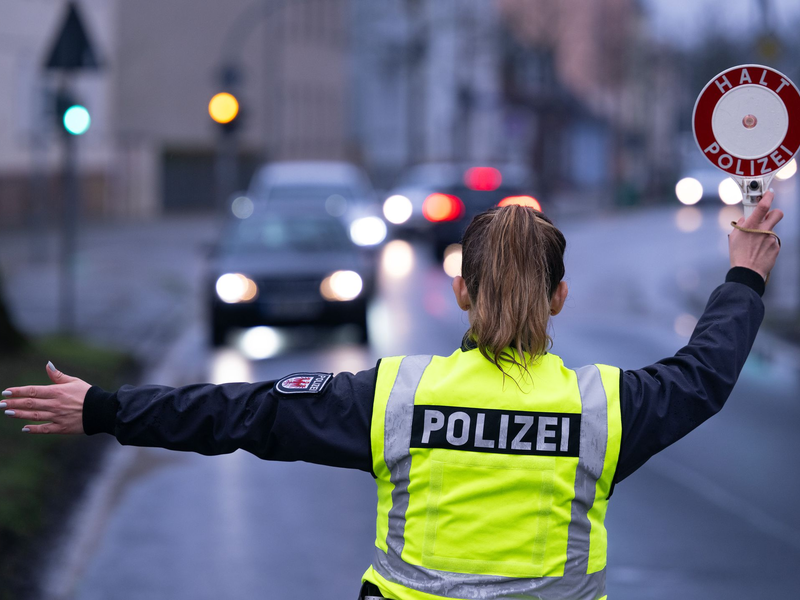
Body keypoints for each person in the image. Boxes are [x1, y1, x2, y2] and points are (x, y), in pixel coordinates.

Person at [1, 193, 782, 600]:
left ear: (464, 291)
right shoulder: (605, 409)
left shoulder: (397, 397)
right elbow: (704, 375)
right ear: (560, 298)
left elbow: (240, 412)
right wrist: (744, 273)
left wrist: (102, 409)